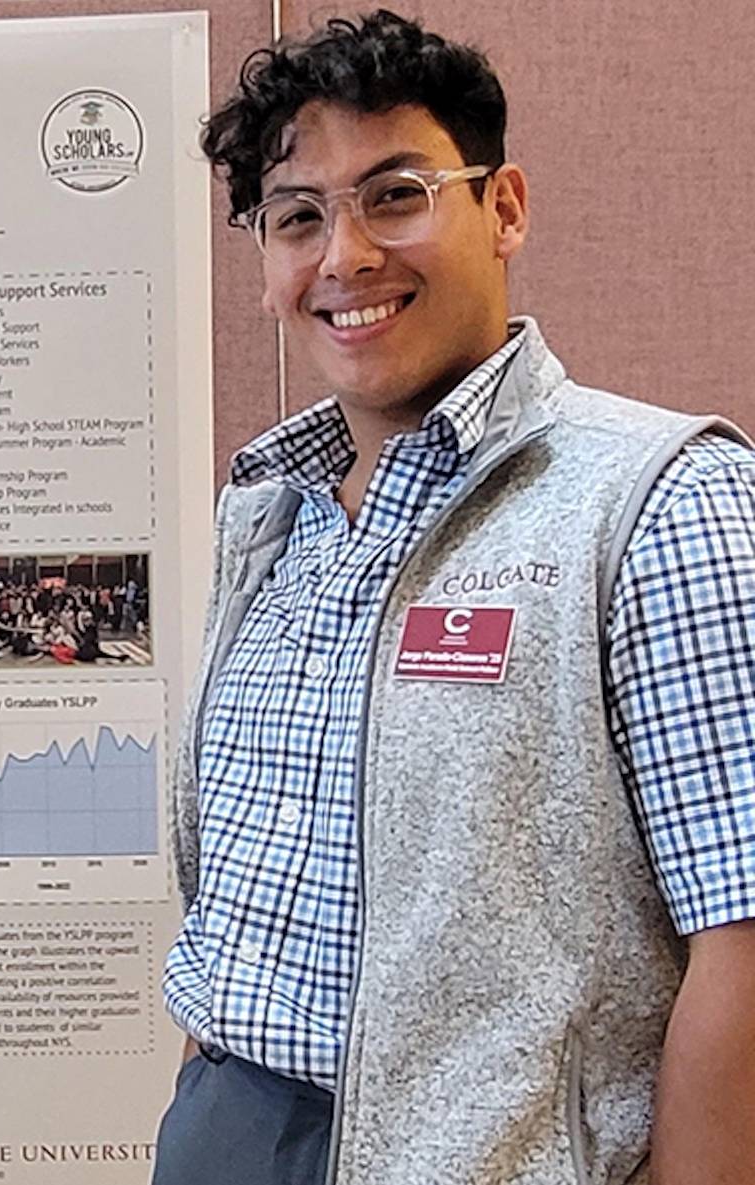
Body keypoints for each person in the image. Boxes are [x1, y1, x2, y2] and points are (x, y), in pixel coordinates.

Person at [157, 12, 755, 1185]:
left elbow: (743, 933)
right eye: (297, 217)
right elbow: (239, 911)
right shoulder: (270, 516)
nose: (344, 258)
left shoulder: (658, 500)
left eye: (395, 196)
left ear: (504, 208)